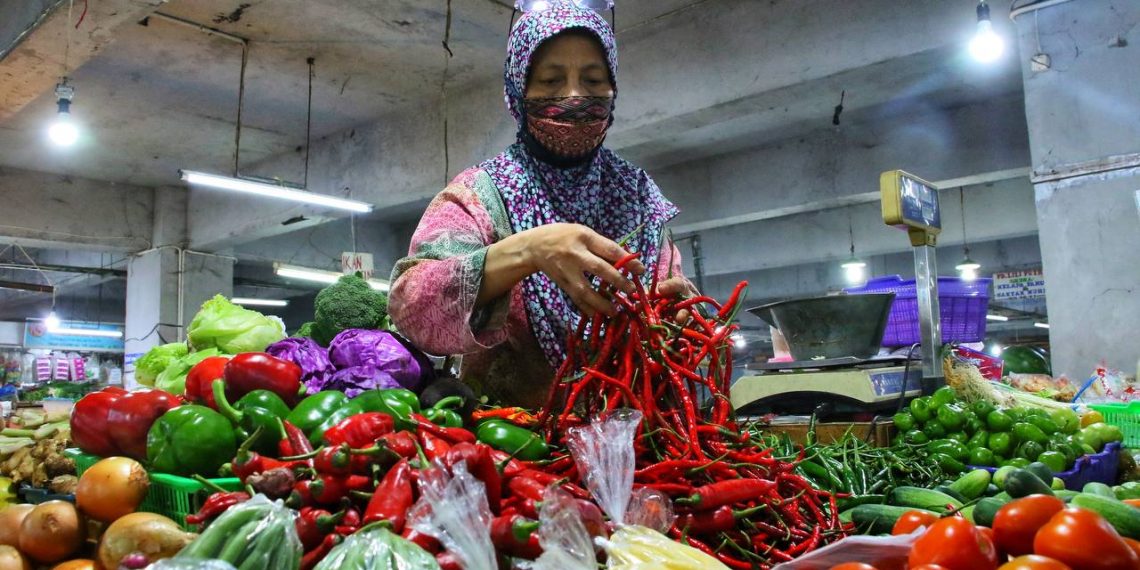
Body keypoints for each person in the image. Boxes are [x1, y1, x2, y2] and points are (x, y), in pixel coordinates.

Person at [389, 1, 692, 407]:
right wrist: (530, 250)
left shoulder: (638, 196)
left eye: (593, 79)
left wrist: (683, 315)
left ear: (612, 88)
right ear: (519, 90)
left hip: (638, 443)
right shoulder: (479, 194)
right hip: (516, 448)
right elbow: (414, 311)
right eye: (550, 81)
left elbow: (671, 306)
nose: (573, 96)